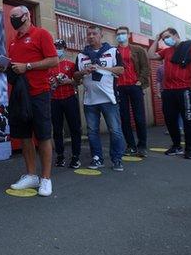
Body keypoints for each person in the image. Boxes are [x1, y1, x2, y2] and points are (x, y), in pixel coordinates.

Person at [2, 6, 58, 197]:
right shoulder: (12, 41)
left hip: (39, 93)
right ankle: (31, 175)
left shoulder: (41, 34)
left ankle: (46, 178)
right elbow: (14, 66)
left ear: (26, 16)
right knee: (24, 135)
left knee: (43, 136)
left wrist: (27, 66)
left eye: (15, 16)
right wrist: (7, 67)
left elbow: (53, 61)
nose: (13, 20)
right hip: (19, 95)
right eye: (11, 17)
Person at [74, 25, 126, 171]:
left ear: (101, 35)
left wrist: (101, 68)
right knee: (92, 132)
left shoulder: (112, 51)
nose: (91, 36)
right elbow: (75, 77)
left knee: (115, 130)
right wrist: (84, 71)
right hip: (90, 100)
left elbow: (121, 70)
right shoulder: (81, 56)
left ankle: (117, 159)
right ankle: (97, 158)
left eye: (94, 33)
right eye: (89, 34)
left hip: (109, 99)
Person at [147, 28, 191, 159]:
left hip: (185, 90)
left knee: (188, 120)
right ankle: (176, 146)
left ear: (176, 35)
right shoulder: (167, 51)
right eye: (163, 38)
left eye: (167, 37)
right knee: (170, 120)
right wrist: (156, 39)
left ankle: (189, 149)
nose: (165, 40)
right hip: (168, 92)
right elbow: (150, 55)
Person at [114, 26, 150, 157]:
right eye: (118, 34)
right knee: (124, 118)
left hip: (135, 86)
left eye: (123, 33)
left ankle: (142, 146)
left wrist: (139, 81)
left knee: (139, 117)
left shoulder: (138, 50)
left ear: (128, 35)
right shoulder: (114, 51)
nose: (120, 36)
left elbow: (146, 67)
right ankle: (131, 146)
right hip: (120, 88)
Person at [48, 39, 82, 168]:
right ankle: (60, 156)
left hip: (69, 98)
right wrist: (52, 83)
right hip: (54, 100)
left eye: (60, 47)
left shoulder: (71, 65)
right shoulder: (49, 66)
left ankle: (75, 157)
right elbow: (46, 84)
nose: (57, 49)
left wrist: (68, 81)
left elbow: (78, 82)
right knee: (57, 130)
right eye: (55, 47)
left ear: (65, 49)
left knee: (75, 128)